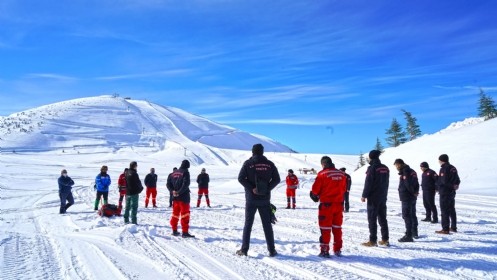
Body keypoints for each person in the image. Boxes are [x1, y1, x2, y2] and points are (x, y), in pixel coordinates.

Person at [236, 143, 281, 257]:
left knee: (248, 224)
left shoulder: (248, 163)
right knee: (267, 225)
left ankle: (244, 250)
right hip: (265, 199)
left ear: (253, 152)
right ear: (262, 152)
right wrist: (266, 189)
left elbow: (240, 178)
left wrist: (252, 189)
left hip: (251, 199)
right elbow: (277, 179)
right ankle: (272, 250)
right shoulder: (269, 164)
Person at [310, 156, 347, 257]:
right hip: (339, 205)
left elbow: (315, 190)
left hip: (326, 206)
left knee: (325, 228)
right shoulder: (341, 174)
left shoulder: (322, 174)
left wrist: (314, 195)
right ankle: (338, 249)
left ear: (324, 164)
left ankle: (325, 250)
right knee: (337, 228)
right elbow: (344, 189)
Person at [361, 150, 390, 247]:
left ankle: (372, 241)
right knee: (382, 218)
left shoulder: (372, 168)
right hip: (383, 196)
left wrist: (364, 195)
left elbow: (368, 183)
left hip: (373, 197)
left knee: (372, 219)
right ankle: (385, 239)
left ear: (371, 157)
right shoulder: (385, 168)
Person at [394, 159, 420, 242]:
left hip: (407, 196)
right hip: (412, 196)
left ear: (400, 164)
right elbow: (417, 183)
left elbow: (407, 184)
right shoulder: (412, 171)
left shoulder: (405, 172)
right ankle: (414, 232)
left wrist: (413, 192)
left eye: (396, 165)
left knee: (406, 215)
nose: (396, 167)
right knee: (412, 214)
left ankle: (408, 235)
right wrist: (415, 192)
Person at [168, 160, 195, 238]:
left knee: (175, 214)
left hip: (175, 198)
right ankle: (185, 232)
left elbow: (168, 184)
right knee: (185, 214)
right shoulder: (185, 173)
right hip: (183, 198)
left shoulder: (173, 173)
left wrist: (172, 191)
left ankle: (174, 230)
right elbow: (186, 184)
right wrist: (179, 192)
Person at [435, 154, 460, 234]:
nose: (438, 162)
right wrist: (456, 185)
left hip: (445, 192)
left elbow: (444, 181)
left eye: (439, 160)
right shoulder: (453, 168)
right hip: (452, 192)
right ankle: (453, 227)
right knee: (452, 209)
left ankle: (445, 229)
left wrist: (439, 186)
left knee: (444, 211)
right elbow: (458, 179)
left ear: (442, 160)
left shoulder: (444, 168)